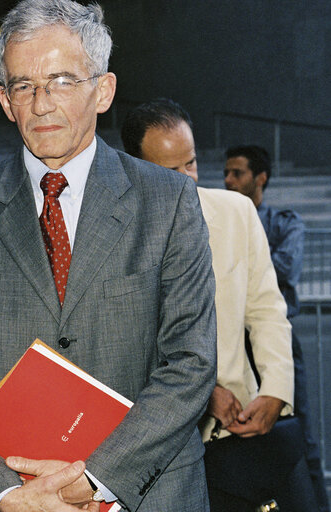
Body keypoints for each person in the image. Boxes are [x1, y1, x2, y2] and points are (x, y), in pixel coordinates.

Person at [0, 1, 217, 511]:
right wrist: (8, 495)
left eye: (61, 80)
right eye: (23, 86)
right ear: (4, 100)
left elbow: (190, 364)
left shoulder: (169, 202)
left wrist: (96, 478)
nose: (41, 104)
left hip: (148, 495)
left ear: (102, 90)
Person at [120, 98, 316, 510]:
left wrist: (276, 391)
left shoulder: (236, 211)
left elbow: (266, 310)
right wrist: (202, 389)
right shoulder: (120, 239)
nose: (186, 180)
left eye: (190, 164)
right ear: (135, 169)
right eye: (169, 171)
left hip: (247, 433)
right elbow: (127, 342)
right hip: (165, 450)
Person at [224, 145, 329, 512]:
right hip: (235, 343)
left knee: (301, 434)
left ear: (260, 178)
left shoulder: (284, 222)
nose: (228, 180)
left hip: (277, 341)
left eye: (237, 173)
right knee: (234, 434)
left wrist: (242, 255)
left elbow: (285, 270)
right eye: (227, 172)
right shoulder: (224, 220)